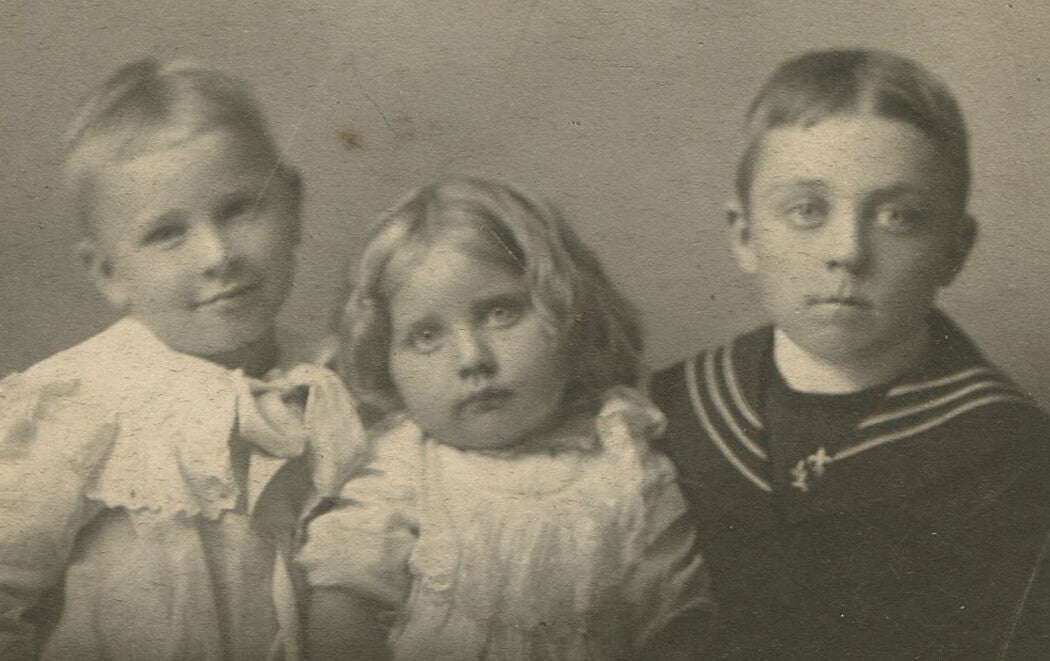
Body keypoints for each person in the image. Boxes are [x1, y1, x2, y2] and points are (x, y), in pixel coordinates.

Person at [647, 48, 1050, 660]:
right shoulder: (667, 412)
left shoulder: (1010, 454)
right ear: (745, 236)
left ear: (955, 249)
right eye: (807, 211)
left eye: (899, 217)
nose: (848, 252)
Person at [0, 59, 365, 660]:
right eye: (167, 233)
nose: (217, 255)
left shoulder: (334, 384)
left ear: (294, 206)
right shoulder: (81, 401)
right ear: (109, 273)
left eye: (241, 209)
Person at [299, 177, 713, 661]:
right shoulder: (399, 469)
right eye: (428, 336)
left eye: (500, 313)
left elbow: (678, 626)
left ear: (567, 310)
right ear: (385, 360)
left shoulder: (627, 461)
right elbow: (342, 621)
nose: (472, 358)